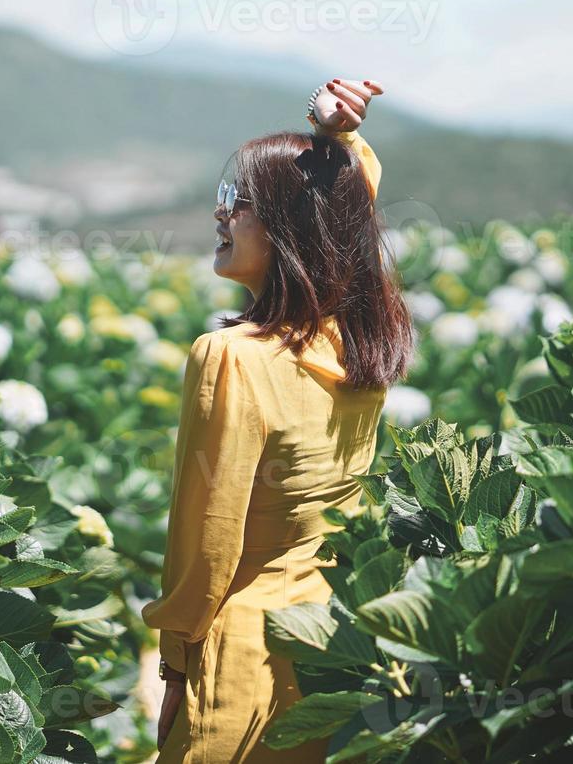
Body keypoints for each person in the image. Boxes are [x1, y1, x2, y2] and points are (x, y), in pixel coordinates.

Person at [141, 78, 415, 762]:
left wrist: (175, 666)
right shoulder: (356, 347)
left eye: (242, 203)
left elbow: (207, 544)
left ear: (291, 227)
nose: (221, 215)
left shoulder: (230, 357)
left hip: (242, 659)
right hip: (333, 650)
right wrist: (339, 141)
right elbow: (349, 207)